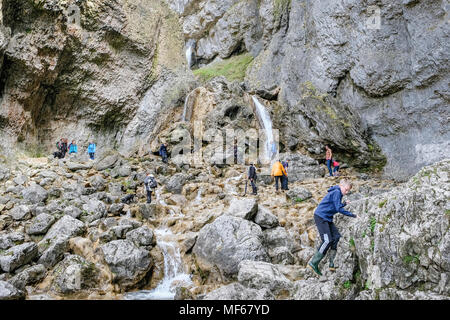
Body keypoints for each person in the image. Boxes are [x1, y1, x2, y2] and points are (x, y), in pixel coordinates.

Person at [308, 179, 357, 276]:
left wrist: (344, 204)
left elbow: (335, 206)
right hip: (321, 217)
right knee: (327, 240)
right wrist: (353, 215)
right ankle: (313, 263)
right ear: (341, 186)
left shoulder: (337, 193)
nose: (346, 192)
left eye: (348, 191)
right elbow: (338, 209)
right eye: (346, 190)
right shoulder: (337, 192)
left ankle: (331, 263)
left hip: (327, 218)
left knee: (336, 237)